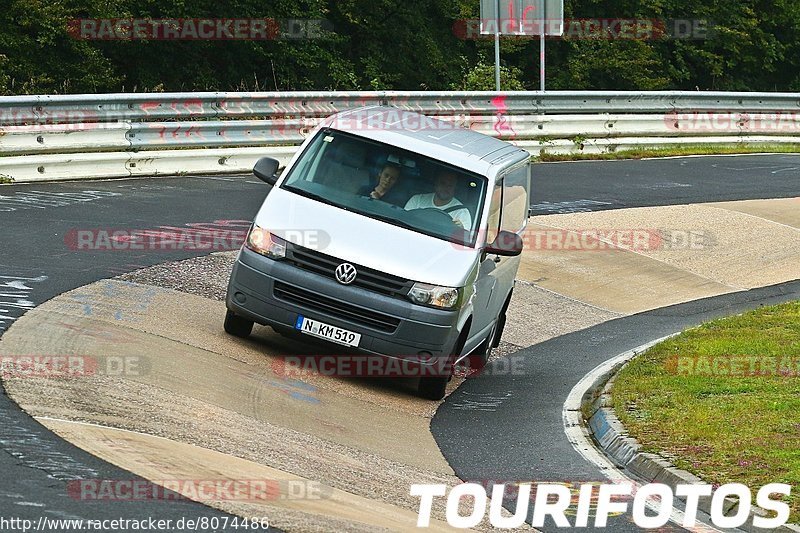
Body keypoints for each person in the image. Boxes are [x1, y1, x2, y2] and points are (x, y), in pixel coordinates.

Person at [404, 170, 472, 229]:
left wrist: (460, 230)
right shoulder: (417, 200)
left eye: (450, 185)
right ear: (436, 184)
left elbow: (462, 239)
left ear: (455, 188)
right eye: (443, 183)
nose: (446, 188)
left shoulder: (461, 212)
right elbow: (403, 221)